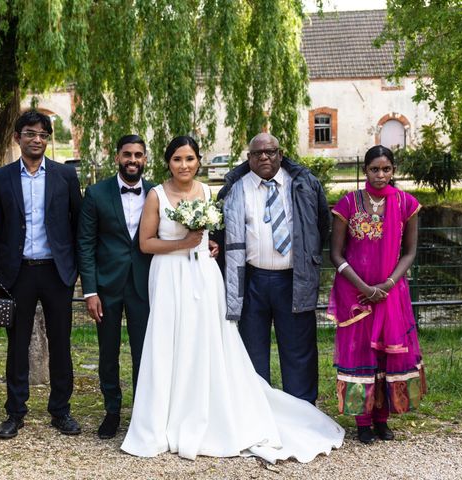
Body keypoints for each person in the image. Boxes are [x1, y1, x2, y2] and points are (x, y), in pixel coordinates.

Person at [121, 136, 344, 462]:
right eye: (177, 159)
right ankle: (166, 415)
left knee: (211, 341)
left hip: (209, 276)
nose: (184, 165)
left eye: (190, 159)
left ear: (199, 161)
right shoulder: (166, 194)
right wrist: (189, 243)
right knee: (169, 341)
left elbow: (222, 236)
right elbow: (146, 243)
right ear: (167, 162)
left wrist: (209, 245)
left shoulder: (211, 192)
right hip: (171, 276)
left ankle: (272, 404)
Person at [217, 132, 330, 404]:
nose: (264, 157)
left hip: (293, 279)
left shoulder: (303, 184)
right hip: (252, 280)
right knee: (252, 349)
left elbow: (321, 224)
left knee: (298, 350)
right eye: (258, 153)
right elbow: (219, 234)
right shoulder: (235, 188)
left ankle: (303, 411)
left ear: (281, 154)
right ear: (249, 158)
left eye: (270, 151)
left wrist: (307, 258)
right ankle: (258, 413)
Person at [0, 109, 82, 438]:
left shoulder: (64, 176)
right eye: (30, 133)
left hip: (56, 273)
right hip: (18, 274)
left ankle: (61, 410)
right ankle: (15, 412)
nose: (37, 140)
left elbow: (77, 224)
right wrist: (0, 277)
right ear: (17, 138)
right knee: (16, 346)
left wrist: (73, 272)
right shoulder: (1, 178)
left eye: (43, 135)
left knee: (61, 344)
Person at [327, 145, 426, 444]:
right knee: (360, 355)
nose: (380, 175)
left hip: (391, 292)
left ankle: (383, 420)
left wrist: (387, 285)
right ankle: (363, 423)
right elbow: (335, 253)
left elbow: (409, 252)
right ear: (365, 171)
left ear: (393, 170)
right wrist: (364, 288)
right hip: (355, 294)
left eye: (386, 169)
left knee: (387, 353)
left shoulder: (407, 204)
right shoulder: (348, 204)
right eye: (374, 169)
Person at [77, 134, 154, 439]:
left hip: (144, 284)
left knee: (144, 351)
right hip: (106, 286)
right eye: (127, 154)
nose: (132, 160)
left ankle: (143, 411)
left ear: (145, 159)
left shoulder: (158, 193)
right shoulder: (96, 193)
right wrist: (90, 290)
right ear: (117, 157)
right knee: (108, 352)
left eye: (138, 155)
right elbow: (85, 243)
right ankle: (112, 411)